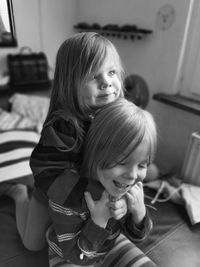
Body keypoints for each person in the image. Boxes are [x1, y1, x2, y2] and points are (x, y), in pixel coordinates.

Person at [2, 32, 125, 251]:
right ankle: (19, 193)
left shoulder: (115, 116)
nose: (106, 82)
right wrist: (96, 194)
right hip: (52, 193)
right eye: (93, 76)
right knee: (32, 244)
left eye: (112, 72)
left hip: (83, 197)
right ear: (70, 83)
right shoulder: (64, 124)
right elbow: (50, 173)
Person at [46, 98, 157, 266]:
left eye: (142, 165)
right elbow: (75, 256)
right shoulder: (66, 194)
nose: (133, 176)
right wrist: (99, 220)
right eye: (122, 162)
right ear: (95, 153)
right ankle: (18, 193)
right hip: (69, 254)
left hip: (109, 246)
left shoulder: (126, 185)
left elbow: (138, 236)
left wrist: (139, 214)